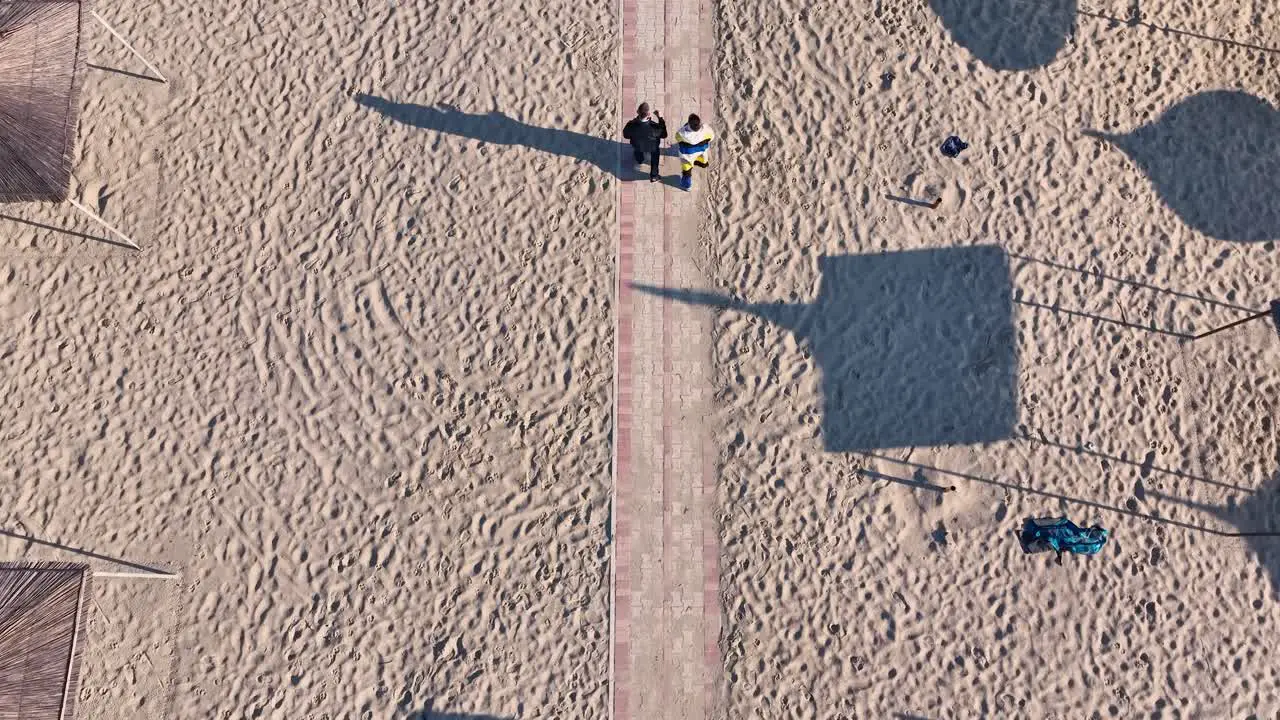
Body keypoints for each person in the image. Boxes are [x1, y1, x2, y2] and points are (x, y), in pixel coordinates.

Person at [622, 103, 666, 182]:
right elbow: (664, 135)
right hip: (653, 147)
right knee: (655, 158)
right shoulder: (655, 126)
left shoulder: (631, 124)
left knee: (638, 151)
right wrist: (660, 118)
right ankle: (654, 176)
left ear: (637, 111)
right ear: (649, 114)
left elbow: (626, 135)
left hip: (638, 146)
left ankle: (639, 160)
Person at [675, 113, 713, 190]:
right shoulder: (706, 130)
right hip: (701, 150)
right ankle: (702, 163)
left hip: (688, 154)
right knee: (702, 157)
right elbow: (711, 137)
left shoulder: (681, 133)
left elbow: (677, 138)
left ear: (689, 124)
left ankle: (687, 186)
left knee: (687, 171)